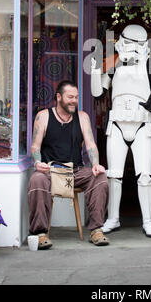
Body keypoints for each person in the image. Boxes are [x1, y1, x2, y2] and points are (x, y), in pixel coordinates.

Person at [91, 24, 151, 237]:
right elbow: (98, 92)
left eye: (138, 44)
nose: (133, 48)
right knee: (113, 175)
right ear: (121, 41)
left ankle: (148, 220)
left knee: (145, 176)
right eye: (130, 43)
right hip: (117, 124)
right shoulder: (114, 64)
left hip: (142, 124)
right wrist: (96, 70)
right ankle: (113, 218)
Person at [28, 80, 109, 249]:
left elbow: (91, 144)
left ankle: (96, 230)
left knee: (100, 177)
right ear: (59, 97)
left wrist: (95, 164)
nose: (74, 100)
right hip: (50, 170)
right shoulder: (43, 116)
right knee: (37, 180)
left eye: (76, 97)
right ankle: (40, 234)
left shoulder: (82, 117)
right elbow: (35, 146)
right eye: (70, 97)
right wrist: (37, 162)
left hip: (76, 170)